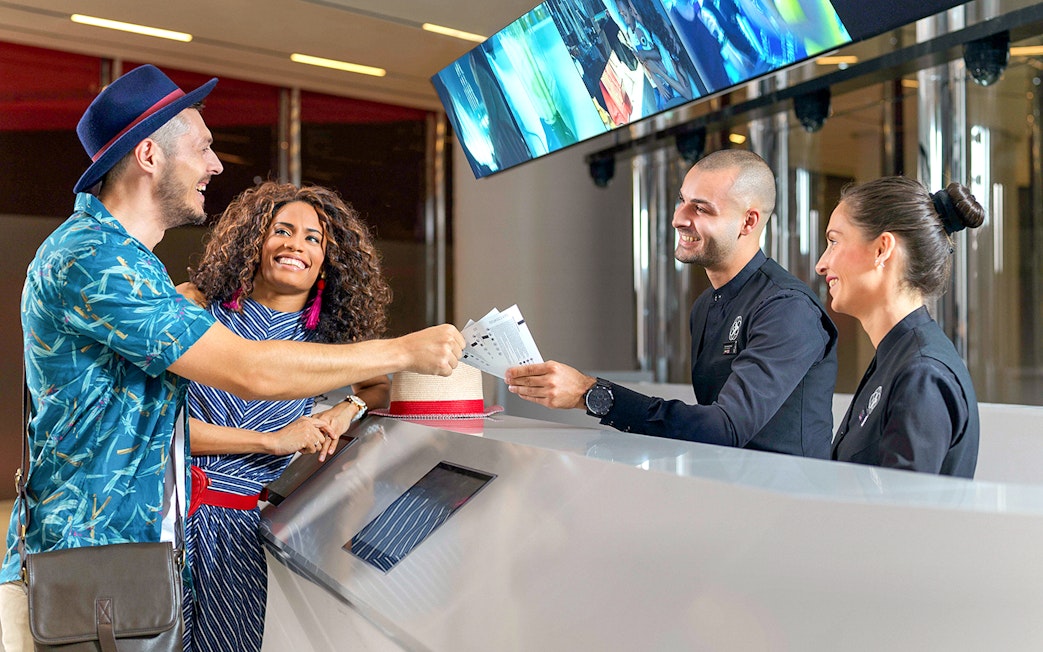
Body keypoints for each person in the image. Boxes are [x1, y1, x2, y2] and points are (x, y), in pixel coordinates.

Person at [0, 64, 463, 652]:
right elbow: (251, 369)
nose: (216, 165)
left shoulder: (134, 263)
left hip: (131, 560)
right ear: (149, 155)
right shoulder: (96, 259)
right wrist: (403, 349)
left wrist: (346, 404)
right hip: (94, 568)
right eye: (203, 146)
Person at [506, 149, 838, 457]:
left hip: (790, 510)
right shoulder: (706, 306)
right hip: (734, 498)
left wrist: (589, 394)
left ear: (748, 222)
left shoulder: (787, 308)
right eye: (682, 201)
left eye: (701, 207)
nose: (679, 217)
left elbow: (724, 428)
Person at [178, 181, 392, 651]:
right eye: (282, 230)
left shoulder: (326, 344)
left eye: (313, 238)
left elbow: (377, 387)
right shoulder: (195, 308)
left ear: (326, 262)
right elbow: (155, 428)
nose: (297, 245)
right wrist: (271, 440)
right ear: (253, 242)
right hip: (165, 514)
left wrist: (347, 408)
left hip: (242, 535)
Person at [815, 177, 983, 477]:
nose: (821, 264)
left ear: (882, 249)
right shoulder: (897, 358)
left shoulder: (921, 374)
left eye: (833, 241)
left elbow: (903, 518)